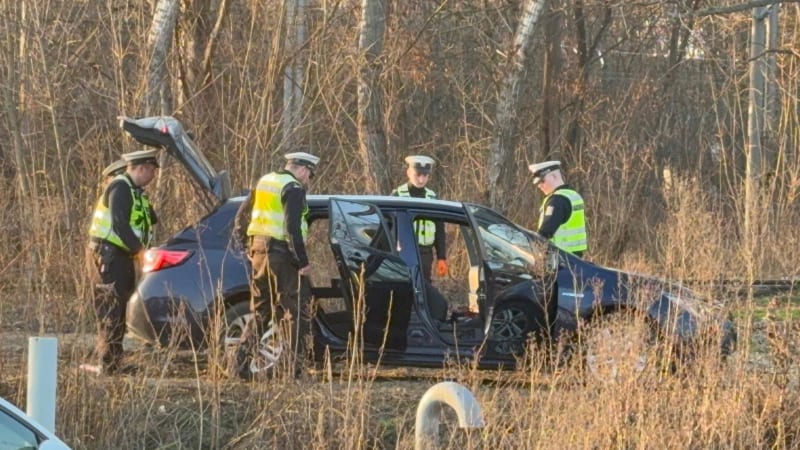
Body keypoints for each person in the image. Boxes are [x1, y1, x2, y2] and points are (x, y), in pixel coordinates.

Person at [233, 151, 319, 379]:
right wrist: (303, 262)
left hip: (259, 253)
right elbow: (292, 228)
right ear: (302, 169)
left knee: (260, 311)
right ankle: (292, 369)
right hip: (281, 255)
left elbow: (239, 219)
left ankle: (240, 365)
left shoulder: (265, 181)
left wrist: (249, 248)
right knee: (295, 311)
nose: (308, 180)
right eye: (309, 175)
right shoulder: (293, 188)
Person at [87, 149, 160, 374]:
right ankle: (107, 364)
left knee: (119, 309)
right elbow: (120, 224)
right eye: (151, 171)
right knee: (110, 309)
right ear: (141, 168)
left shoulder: (136, 192)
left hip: (121, 257)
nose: (153, 176)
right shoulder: (120, 188)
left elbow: (151, 219)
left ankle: (114, 361)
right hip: (107, 257)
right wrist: (140, 251)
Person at [391, 155, 449, 322]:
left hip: (425, 253)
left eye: (425, 175)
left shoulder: (432, 197)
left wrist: (442, 257)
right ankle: (402, 321)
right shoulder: (397, 195)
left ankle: (422, 322)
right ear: (409, 172)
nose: (422, 179)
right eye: (418, 174)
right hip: (402, 253)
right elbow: (390, 227)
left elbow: (439, 230)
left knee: (423, 288)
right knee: (403, 290)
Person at [528, 160, 587, 257]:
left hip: (559, 259)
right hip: (575, 259)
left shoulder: (557, 201)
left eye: (542, 181)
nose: (539, 186)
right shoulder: (573, 195)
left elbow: (545, 233)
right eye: (538, 183)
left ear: (554, 176)